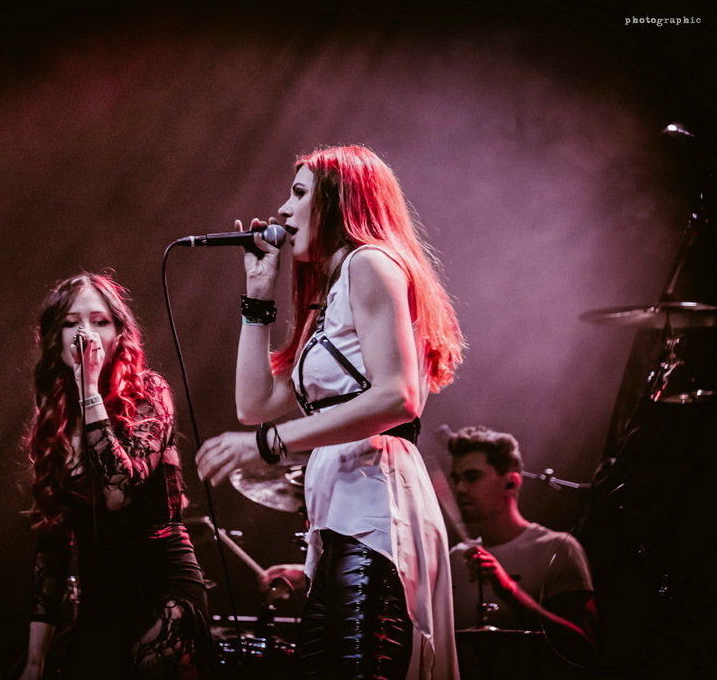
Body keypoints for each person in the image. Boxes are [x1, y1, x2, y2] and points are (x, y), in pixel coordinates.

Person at [196, 145, 466, 679]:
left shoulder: (370, 263)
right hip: (342, 518)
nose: (282, 209)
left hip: (374, 511)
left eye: (299, 193)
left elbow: (397, 397)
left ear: (340, 200)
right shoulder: (332, 293)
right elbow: (253, 405)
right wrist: (257, 295)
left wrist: (269, 444)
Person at [20, 273, 211, 680]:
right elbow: (52, 544)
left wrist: (90, 391)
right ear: (55, 337)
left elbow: (117, 491)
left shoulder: (149, 393)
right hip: (99, 600)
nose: (85, 334)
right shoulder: (56, 414)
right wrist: (36, 658)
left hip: (160, 590)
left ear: (119, 333)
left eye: (99, 321)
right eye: (71, 322)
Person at [446, 426, 597, 658]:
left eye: (472, 477)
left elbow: (584, 646)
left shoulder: (557, 548)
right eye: (456, 479)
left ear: (511, 483)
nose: (460, 488)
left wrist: (509, 589)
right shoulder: (454, 558)